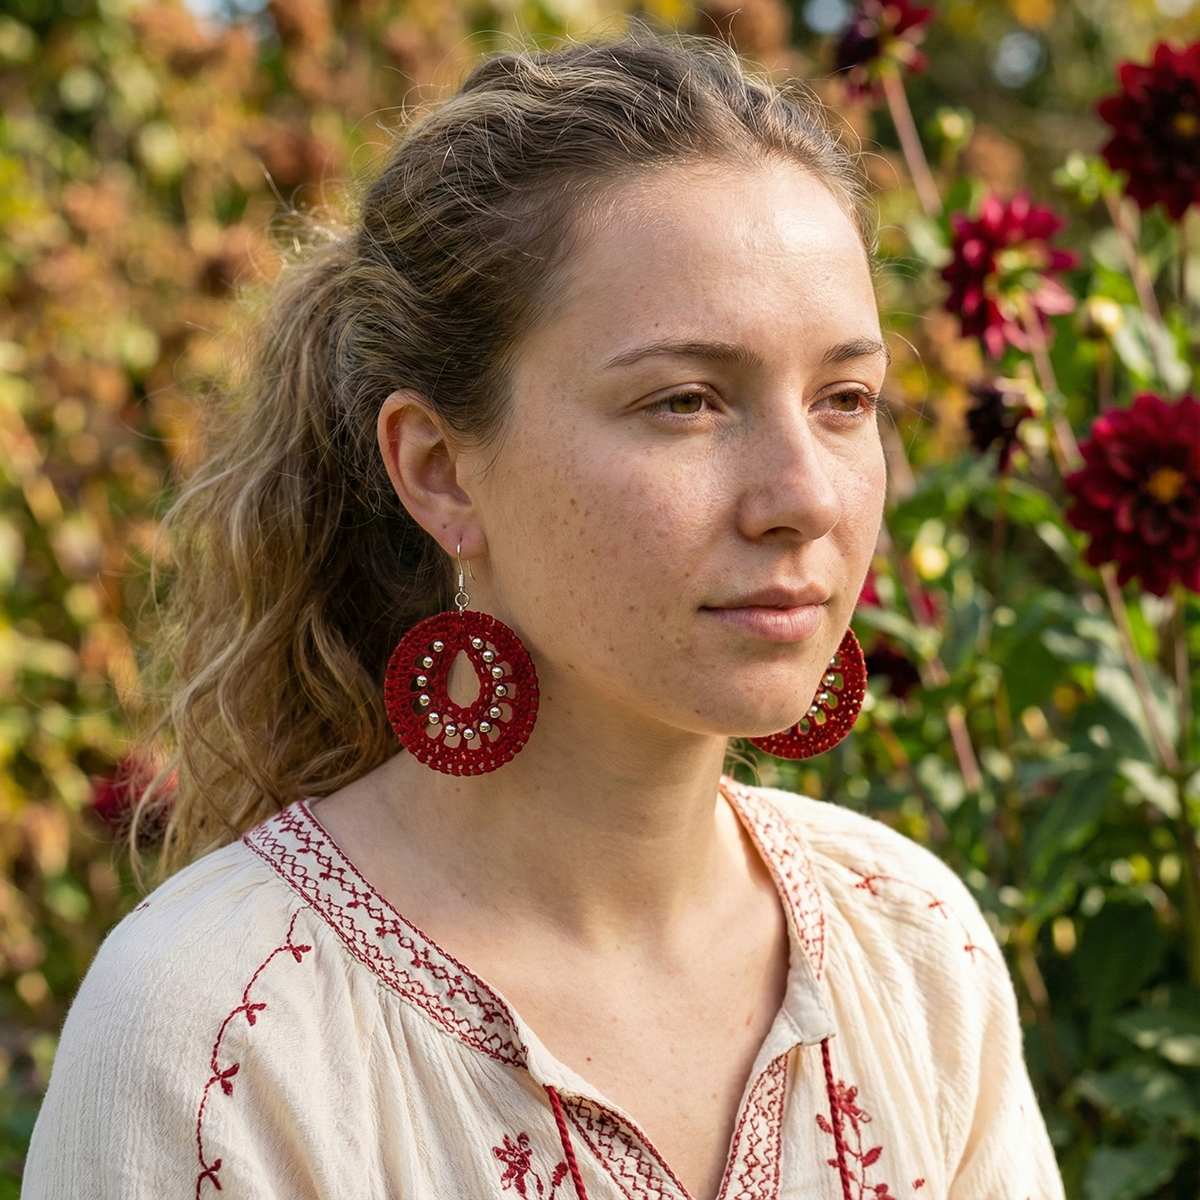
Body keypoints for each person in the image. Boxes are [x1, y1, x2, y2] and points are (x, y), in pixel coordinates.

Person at [22, 37, 1063, 1200]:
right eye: (686, 401)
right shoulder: (220, 1033)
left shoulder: (912, 947)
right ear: (442, 472)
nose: (808, 496)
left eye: (844, 400)